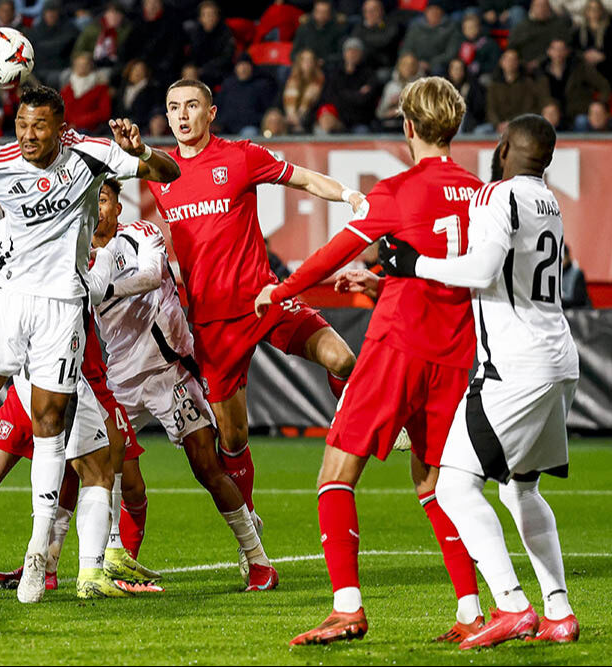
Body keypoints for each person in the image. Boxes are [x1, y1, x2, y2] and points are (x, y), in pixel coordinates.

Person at [0, 85, 179, 604]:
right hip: (9, 303)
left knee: (50, 428)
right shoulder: (0, 161)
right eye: (22, 125)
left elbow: (169, 174)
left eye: (38, 126)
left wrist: (140, 153)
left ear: (59, 125)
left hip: (62, 307)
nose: (27, 136)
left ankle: (36, 552)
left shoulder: (90, 153)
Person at [255, 77, 483, 645]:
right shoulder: (482, 194)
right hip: (455, 352)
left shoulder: (399, 188)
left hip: (397, 348)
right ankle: (472, 611)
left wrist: (282, 290)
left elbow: (334, 252)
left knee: (336, 472)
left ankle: (347, 607)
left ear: (407, 126)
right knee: (437, 485)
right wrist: (383, 278)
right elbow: (451, 272)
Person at [378, 114, 581, 648]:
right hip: (559, 359)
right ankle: (559, 610)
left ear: (507, 147)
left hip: (514, 365)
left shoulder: (499, 195)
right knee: (521, 489)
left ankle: (512, 605)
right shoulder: (548, 201)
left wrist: (414, 264)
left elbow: (484, 269)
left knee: (454, 486)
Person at [146, 79, 361, 569]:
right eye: (173, 106)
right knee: (234, 439)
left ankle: (365, 425)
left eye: (192, 106)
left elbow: (304, 179)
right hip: (211, 323)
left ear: (211, 112)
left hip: (264, 299)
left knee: (342, 358)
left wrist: (348, 195)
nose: (182, 115)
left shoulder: (240, 156)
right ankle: (252, 530)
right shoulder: (158, 170)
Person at [86, 179, 277, 591]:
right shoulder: (77, 256)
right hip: (119, 378)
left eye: (103, 200)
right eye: (91, 201)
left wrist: (102, 288)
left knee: (206, 466)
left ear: (119, 206)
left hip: (168, 370)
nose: (97, 209)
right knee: (108, 470)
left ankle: (258, 559)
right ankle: (111, 562)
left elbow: (153, 276)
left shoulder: (140, 234)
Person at [282, 48, 325, 134]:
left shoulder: (321, 81)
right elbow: (280, 102)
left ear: (314, 63)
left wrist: (300, 118)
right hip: (290, 119)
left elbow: (321, 104)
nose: (307, 63)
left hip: (310, 120)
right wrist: (291, 116)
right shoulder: (290, 81)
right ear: (299, 63)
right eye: (304, 60)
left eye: (310, 60)